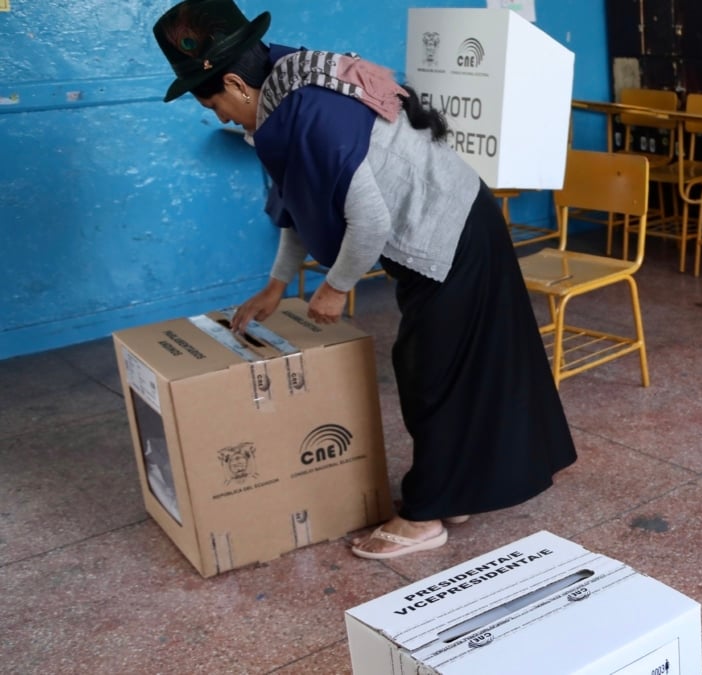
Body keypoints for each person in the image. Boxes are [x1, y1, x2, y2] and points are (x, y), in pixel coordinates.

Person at [152, 0, 577, 559]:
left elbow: (370, 221)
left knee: (429, 372)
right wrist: (278, 285)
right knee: (460, 364)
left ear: (234, 82)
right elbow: (301, 202)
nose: (223, 118)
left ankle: (426, 515)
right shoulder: (285, 92)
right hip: (452, 219)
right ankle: (463, 489)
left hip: (447, 232)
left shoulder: (311, 116)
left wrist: (335, 287)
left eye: (215, 106)